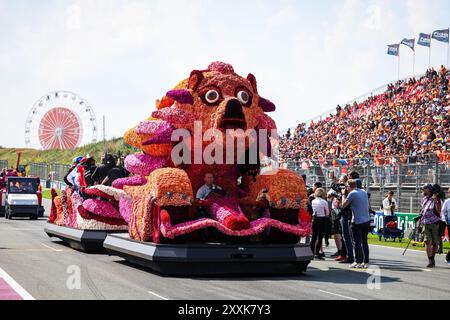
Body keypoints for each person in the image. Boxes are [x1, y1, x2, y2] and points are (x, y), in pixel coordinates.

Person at [342, 179, 371, 269]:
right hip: (366, 220)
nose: (346, 188)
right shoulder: (363, 191)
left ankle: (358, 261)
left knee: (357, 242)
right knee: (364, 241)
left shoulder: (352, 193)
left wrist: (343, 194)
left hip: (357, 221)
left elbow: (343, 205)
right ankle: (365, 261)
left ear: (349, 186)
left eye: (346, 187)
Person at [419, 184, 443, 268]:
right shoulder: (423, 199)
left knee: (435, 243)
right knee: (427, 241)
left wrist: (435, 199)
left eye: (424, 189)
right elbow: (422, 211)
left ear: (428, 190)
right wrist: (419, 221)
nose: (422, 190)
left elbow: (439, 210)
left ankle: (433, 258)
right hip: (425, 223)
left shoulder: (436, 199)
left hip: (435, 223)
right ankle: (430, 260)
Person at [310, 188, 330, 260]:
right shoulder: (324, 202)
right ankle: (317, 253)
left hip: (314, 218)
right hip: (322, 218)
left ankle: (311, 252)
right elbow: (327, 212)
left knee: (314, 237)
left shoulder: (313, 201)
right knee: (320, 236)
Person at [441, 187, 450, 264]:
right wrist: (445, 221)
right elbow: (443, 212)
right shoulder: (447, 202)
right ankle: (448, 257)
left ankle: (448, 256)